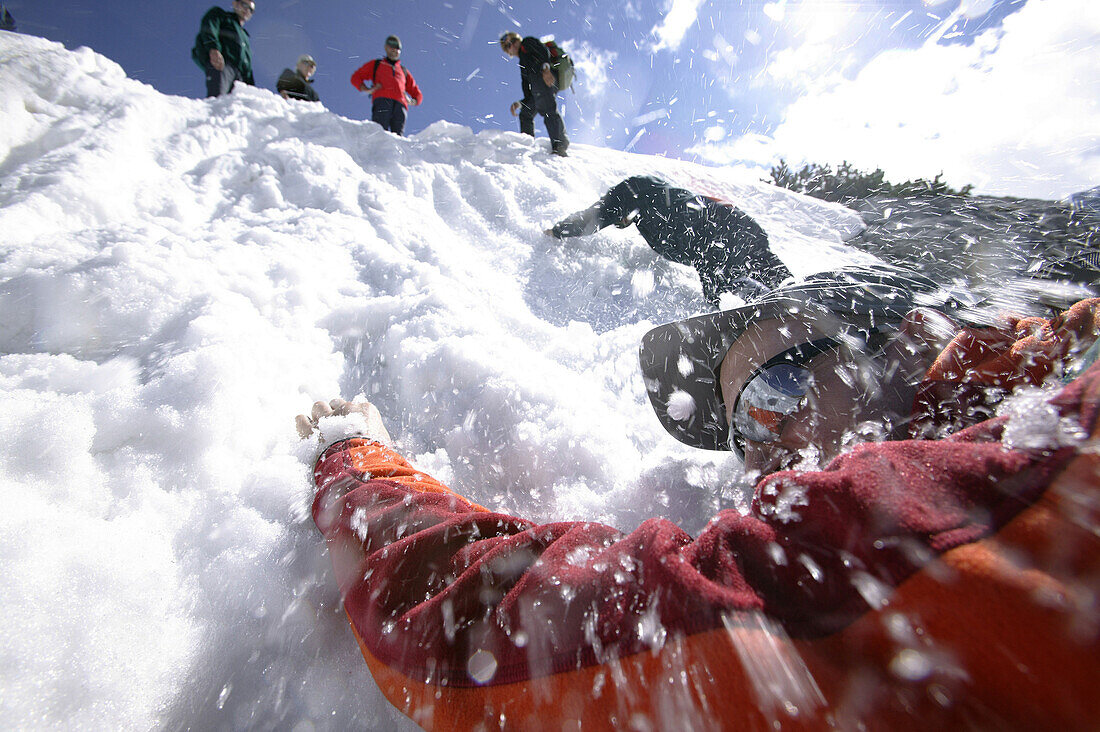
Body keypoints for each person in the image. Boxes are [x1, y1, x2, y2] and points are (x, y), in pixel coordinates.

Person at [298, 267, 1100, 729]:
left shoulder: (930, 500)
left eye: (781, 386)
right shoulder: (1021, 424)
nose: (769, 441)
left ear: (901, 348)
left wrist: (358, 463)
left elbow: (496, 632)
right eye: (745, 423)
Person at [548, 175, 790, 307]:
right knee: (759, 278)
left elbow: (595, 217)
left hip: (720, 231)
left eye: (619, 219)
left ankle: (790, 297)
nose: (620, 224)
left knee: (730, 283)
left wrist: (559, 230)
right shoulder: (651, 209)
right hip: (735, 232)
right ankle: (793, 295)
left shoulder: (637, 193)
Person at [499, 31, 569, 157]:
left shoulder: (527, 42)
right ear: (509, 52)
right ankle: (526, 144)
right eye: (508, 46)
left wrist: (546, 69)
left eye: (513, 41)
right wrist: (520, 104)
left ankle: (559, 146)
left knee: (547, 108)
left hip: (545, 76)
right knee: (526, 113)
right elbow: (528, 93)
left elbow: (542, 51)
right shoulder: (523, 65)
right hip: (538, 85)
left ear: (518, 40)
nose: (512, 45)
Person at [350, 36, 423, 136]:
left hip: (400, 105)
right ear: (386, 47)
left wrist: (412, 101)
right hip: (382, 100)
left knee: (398, 139)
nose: (394, 49)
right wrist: (367, 89)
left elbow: (417, 93)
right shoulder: (377, 64)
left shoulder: (403, 71)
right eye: (391, 45)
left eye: (398, 47)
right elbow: (356, 77)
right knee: (379, 134)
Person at [192, 0, 255, 98]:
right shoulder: (221, 15)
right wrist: (213, 48)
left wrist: (252, 87)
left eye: (251, 10)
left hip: (242, 78)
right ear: (235, 3)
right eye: (244, 4)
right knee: (218, 100)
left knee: (241, 109)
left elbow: (248, 68)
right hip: (223, 65)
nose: (247, 10)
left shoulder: (245, 36)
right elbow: (209, 27)